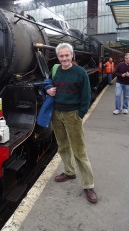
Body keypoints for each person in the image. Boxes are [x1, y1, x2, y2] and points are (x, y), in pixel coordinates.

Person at [45, 43, 98, 203]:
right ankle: (69, 171)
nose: (64, 58)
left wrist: (79, 115)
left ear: (72, 55)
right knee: (63, 146)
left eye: (67, 55)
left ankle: (89, 185)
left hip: (72, 115)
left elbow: (86, 95)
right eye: (61, 56)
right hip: (57, 114)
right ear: (58, 57)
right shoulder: (55, 70)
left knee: (79, 151)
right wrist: (48, 89)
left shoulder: (80, 72)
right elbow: (48, 83)